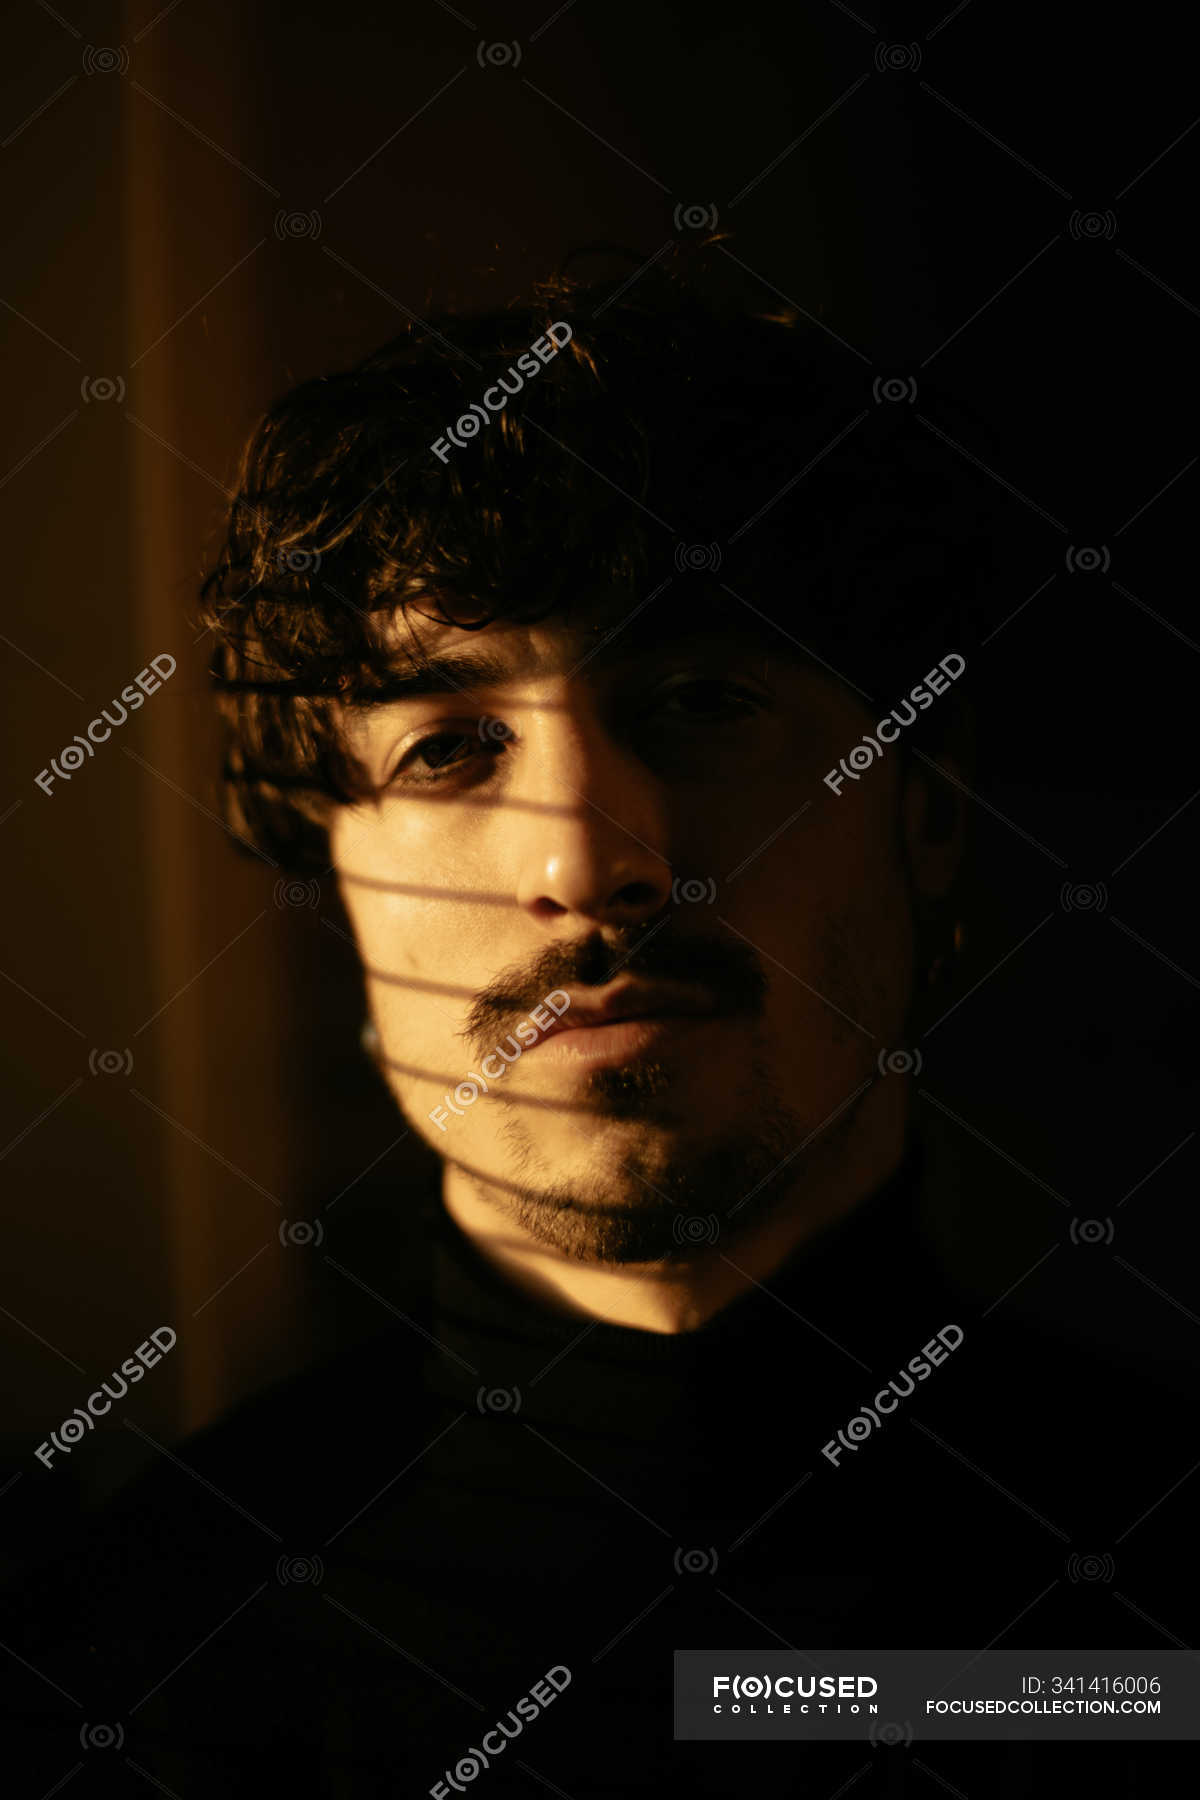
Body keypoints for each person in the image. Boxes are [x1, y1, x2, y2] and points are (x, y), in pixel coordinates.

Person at [5, 253, 1191, 1797]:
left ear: (927, 811)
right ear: (330, 879)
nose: (585, 862)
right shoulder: (129, 1657)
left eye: (699, 701)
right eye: (446, 749)